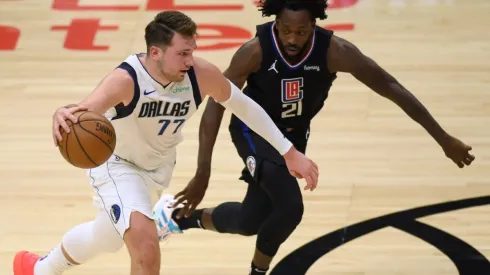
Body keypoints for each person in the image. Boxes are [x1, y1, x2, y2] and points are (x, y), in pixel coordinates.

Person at [160, 0, 476, 274]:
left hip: (294, 137)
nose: (292, 38)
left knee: (249, 221)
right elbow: (217, 105)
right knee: (289, 207)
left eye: (301, 31)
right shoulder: (255, 52)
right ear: (275, 22)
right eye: (285, 30)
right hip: (253, 133)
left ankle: (177, 217)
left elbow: (391, 87)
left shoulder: (335, 51)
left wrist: (443, 138)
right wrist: (203, 171)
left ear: (315, 23)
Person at [12, 10, 320, 275]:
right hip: (117, 167)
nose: (190, 60)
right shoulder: (126, 80)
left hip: (156, 171)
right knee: (146, 251)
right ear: (156, 53)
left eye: (192, 51)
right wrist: (61, 113)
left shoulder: (200, 74)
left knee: (106, 237)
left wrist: (289, 152)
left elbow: (244, 106)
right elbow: (81, 113)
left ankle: (40, 268)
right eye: (182, 53)